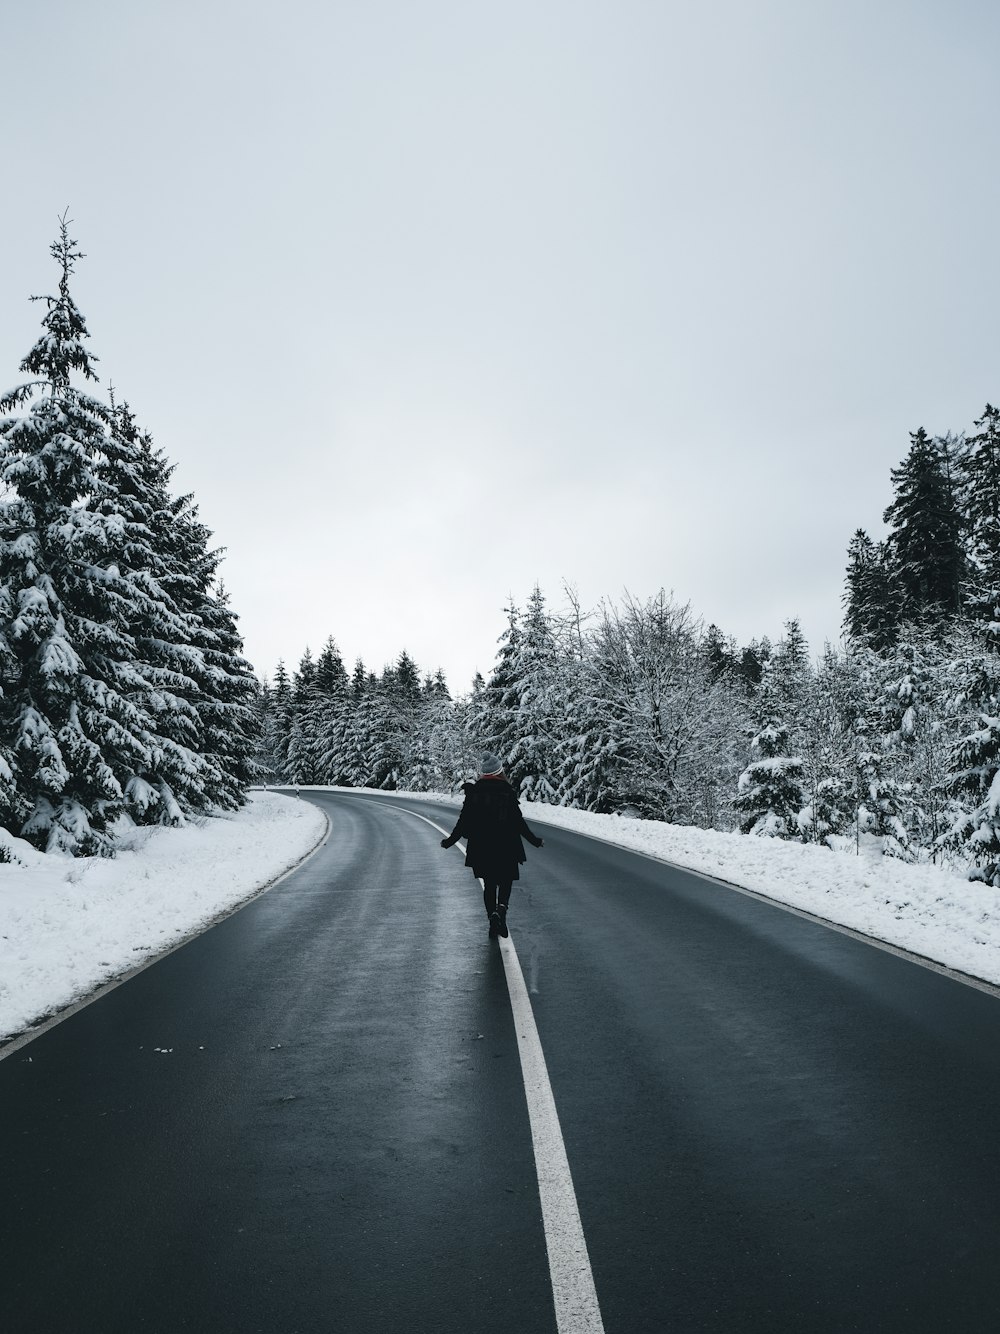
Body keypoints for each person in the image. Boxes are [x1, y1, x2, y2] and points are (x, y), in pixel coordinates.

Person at [440, 753, 544, 939]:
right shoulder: (507, 792)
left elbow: (463, 822)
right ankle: (501, 911)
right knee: (505, 882)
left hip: (482, 848)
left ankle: (492, 920)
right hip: (507, 846)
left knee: (489, 885)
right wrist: (534, 841)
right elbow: (519, 823)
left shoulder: (474, 793)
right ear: (499, 771)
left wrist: (450, 841)